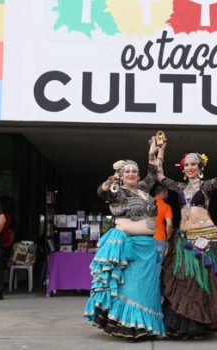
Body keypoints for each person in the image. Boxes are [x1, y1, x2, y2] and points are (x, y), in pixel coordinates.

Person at [84, 137, 166, 340]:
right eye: (127, 171)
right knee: (132, 287)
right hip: (129, 247)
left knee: (148, 289)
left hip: (148, 247)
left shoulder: (144, 189)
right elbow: (104, 193)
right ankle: (130, 327)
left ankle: (147, 327)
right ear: (120, 175)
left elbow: (153, 173)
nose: (131, 174)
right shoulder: (118, 191)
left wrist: (153, 150)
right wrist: (106, 185)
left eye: (134, 171)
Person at [157, 143, 217, 338]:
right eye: (187, 165)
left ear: (200, 168)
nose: (190, 167)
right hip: (184, 237)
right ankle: (182, 324)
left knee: (202, 281)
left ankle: (200, 325)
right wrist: (160, 151)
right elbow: (159, 176)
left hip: (205, 236)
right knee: (184, 280)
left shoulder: (205, 186)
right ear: (183, 169)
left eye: (194, 164)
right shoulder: (180, 187)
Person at [153, 185, 173, 269]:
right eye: (167, 193)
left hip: (145, 238)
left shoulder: (146, 202)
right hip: (160, 239)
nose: (167, 196)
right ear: (163, 193)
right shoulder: (166, 206)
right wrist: (168, 237)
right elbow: (169, 224)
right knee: (157, 266)